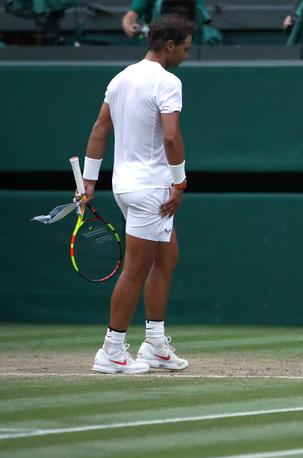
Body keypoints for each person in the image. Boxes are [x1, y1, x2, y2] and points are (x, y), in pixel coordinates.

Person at [81, 14, 196, 374]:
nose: (187, 56)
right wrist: (180, 182)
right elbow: (171, 137)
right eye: (186, 49)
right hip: (151, 188)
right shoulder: (168, 82)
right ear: (170, 46)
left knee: (166, 258)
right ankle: (111, 350)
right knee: (135, 270)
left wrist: (89, 180)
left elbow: (100, 127)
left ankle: (155, 344)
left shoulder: (120, 78)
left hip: (126, 186)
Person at [122, 0, 221, 45]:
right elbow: (129, 18)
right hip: (158, 39)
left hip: (190, 38)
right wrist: (130, 26)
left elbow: (200, 18)